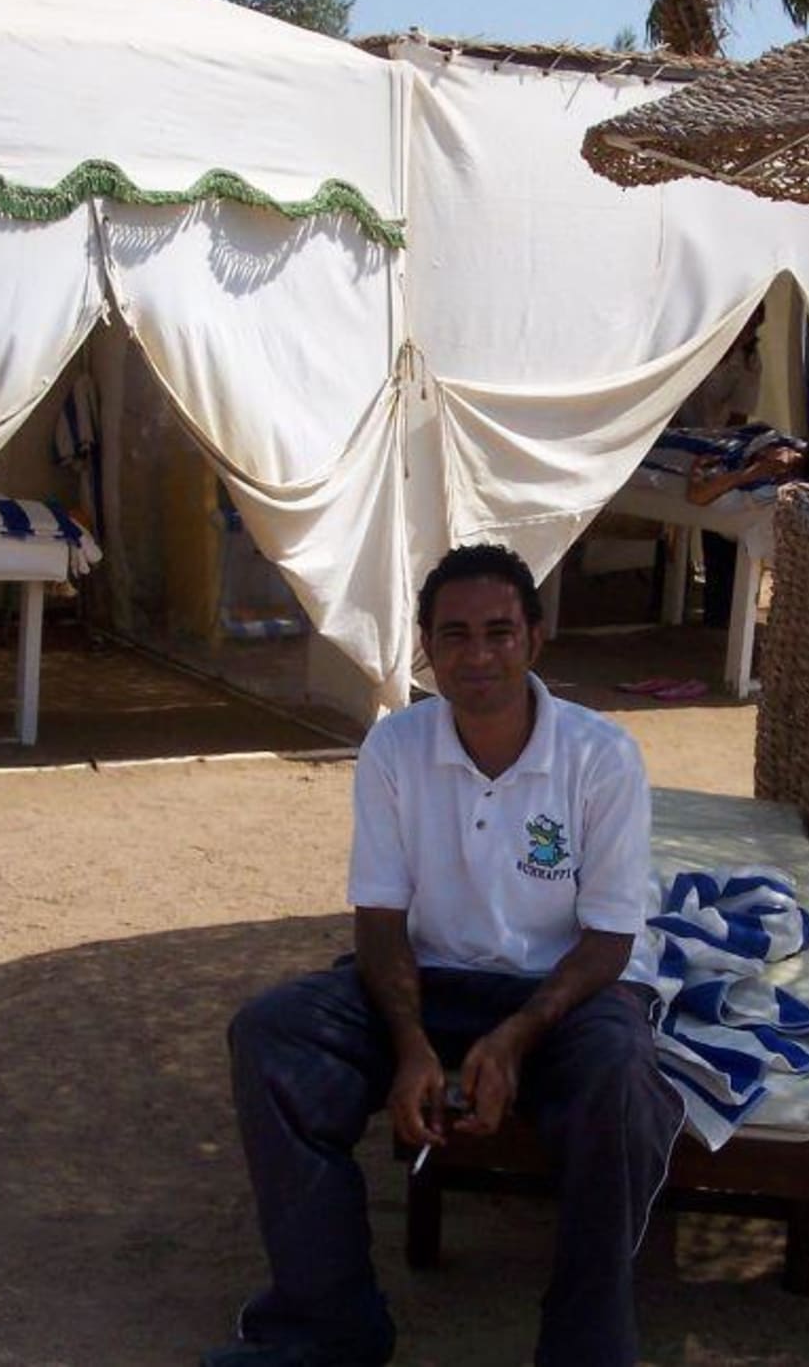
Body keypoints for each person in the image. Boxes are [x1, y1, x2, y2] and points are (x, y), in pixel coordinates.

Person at [205, 544, 683, 1367]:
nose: (478, 655)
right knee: (273, 1036)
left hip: (564, 991)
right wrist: (412, 1044)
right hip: (430, 981)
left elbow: (610, 940)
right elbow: (380, 919)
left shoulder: (601, 756)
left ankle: (586, 1348)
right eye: (454, 635)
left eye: (500, 632)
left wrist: (517, 1036)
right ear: (427, 647)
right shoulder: (395, 748)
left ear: (535, 639)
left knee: (622, 1083)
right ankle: (329, 1328)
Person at [674, 308, 765, 625]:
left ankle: (720, 609)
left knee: (721, 520)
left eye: (752, 326)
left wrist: (721, 450)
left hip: (715, 442)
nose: (747, 332)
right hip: (677, 434)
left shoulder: (749, 362)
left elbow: (739, 418)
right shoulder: (696, 343)